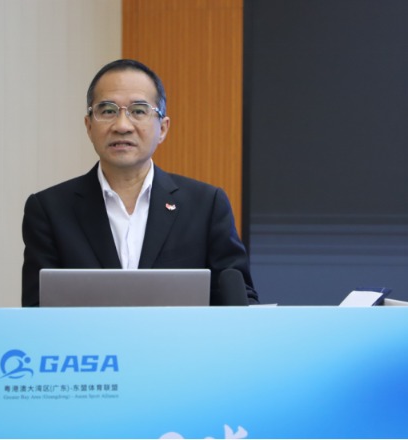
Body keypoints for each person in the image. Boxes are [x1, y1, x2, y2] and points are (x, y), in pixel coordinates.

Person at [22, 59, 258, 306]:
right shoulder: (49, 210)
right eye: (108, 111)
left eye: (138, 111)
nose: (122, 126)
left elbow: (240, 300)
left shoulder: (205, 206)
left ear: (163, 128)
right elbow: (35, 311)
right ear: (89, 126)